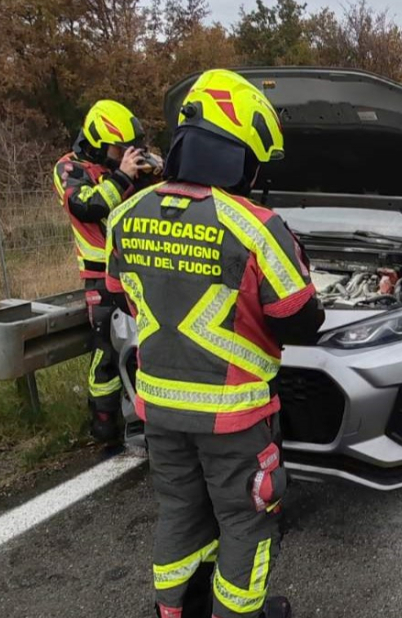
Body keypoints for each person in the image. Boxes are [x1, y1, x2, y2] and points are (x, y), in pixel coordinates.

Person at [105, 69, 324, 618]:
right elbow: (301, 320)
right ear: (240, 155)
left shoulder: (125, 215)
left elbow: (121, 296)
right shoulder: (256, 226)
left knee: (179, 511)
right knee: (247, 520)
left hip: (158, 407)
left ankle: (175, 610)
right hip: (234, 419)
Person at [53, 100, 162, 444]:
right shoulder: (70, 169)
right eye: (117, 149)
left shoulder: (123, 166)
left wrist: (156, 167)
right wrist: (123, 175)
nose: (122, 155)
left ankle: (148, 415)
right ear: (99, 142)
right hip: (100, 275)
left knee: (150, 343)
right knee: (106, 352)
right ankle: (104, 426)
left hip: (139, 268)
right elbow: (86, 207)